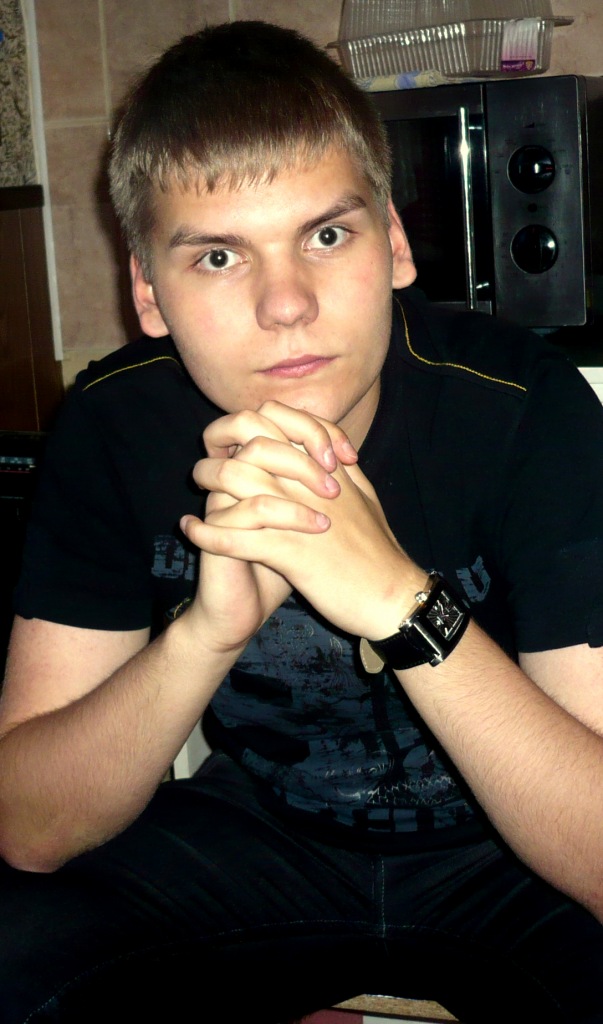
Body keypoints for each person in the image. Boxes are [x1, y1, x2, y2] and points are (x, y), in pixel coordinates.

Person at [1, 19, 603, 1024]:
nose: (286, 304)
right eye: (218, 257)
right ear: (147, 292)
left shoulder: (523, 408)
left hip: (511, 857)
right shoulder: (113, 424)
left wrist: (404, 605)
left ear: (395, 243)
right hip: (265, 836)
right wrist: (205, 634)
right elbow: (28, 829)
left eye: (326, 234)